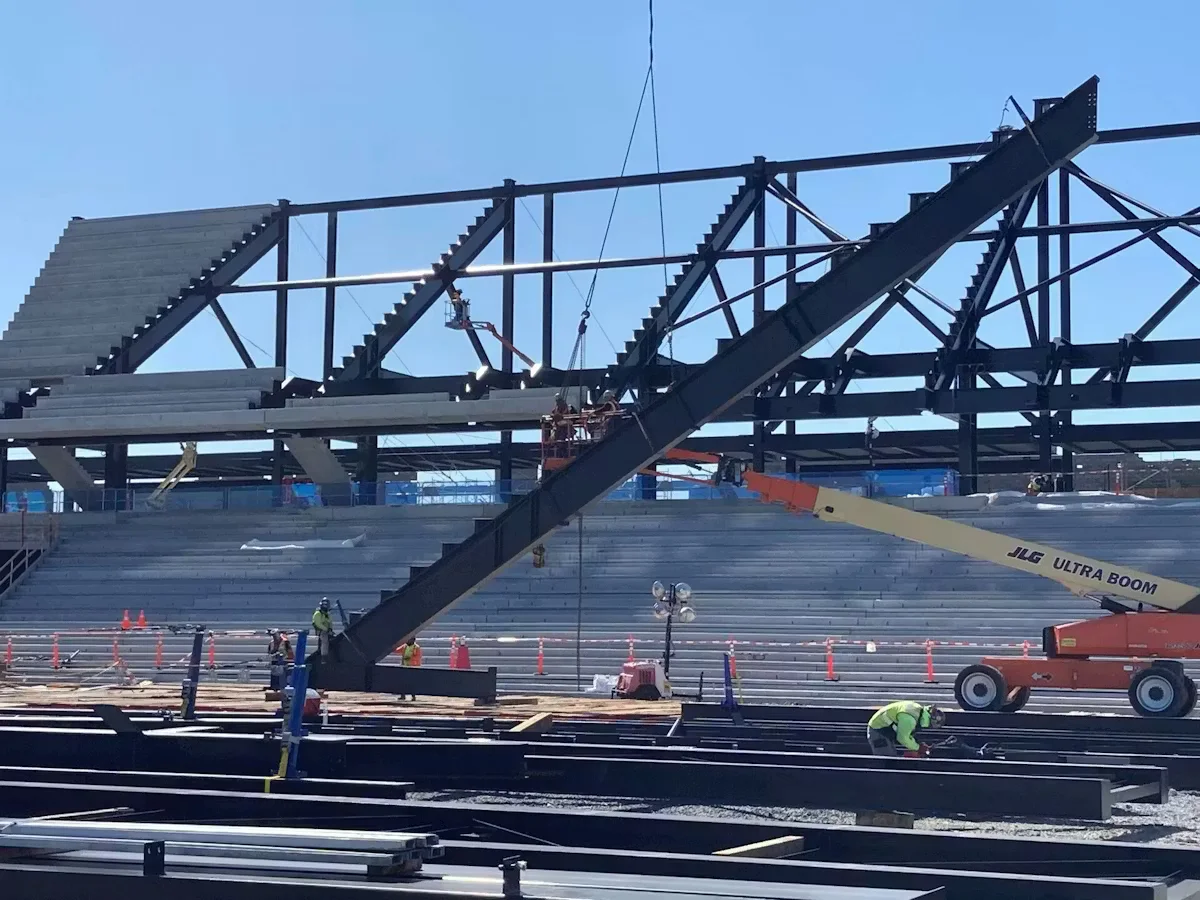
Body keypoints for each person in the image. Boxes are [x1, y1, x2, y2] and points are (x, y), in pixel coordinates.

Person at [867, 701, 945, 757]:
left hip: (884, 729)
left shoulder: (917, 711)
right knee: (887, 761)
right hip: (878, 731)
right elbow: (902, 738)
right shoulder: (910, 719)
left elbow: (906, 733)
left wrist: (918, 744)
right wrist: (918, 748)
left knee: (892, 757)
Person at [399, 637, 422, 701]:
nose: (407, 641)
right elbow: (397, 650)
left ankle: (413, 696)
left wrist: (409, 659)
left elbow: (418, 657)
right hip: (404, 666)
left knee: (412, 683)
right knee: (402, 682)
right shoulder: (405, 646)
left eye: (408, 639)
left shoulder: (416, 647)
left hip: (412, 667)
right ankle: (402, 695)